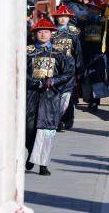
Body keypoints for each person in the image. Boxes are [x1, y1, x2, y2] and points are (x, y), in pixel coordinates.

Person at [26, 19, 75, 175]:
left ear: (51, 33)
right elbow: (20, 71)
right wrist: (36, 83)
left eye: (46, 31)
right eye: (40, 31)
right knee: (29, 128)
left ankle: (43, 164)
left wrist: (53, 81)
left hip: (51, 96)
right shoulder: (28, 52)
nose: (43, 34)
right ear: (35, 34)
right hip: (32, 95)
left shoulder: (59, 53)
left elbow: (68, 73)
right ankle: (31, 154)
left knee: (47, 130)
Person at [51, 5, 83, 131]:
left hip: (69, 68)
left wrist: (79, 69)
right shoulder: (52, 33)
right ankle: (56, 120)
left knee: (68, 96)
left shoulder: (73, 33)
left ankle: (67, 120)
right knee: (55, 95)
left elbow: (78, 52)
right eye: (60, 17)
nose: (63, 19)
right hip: (54, 68)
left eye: (65, 17)